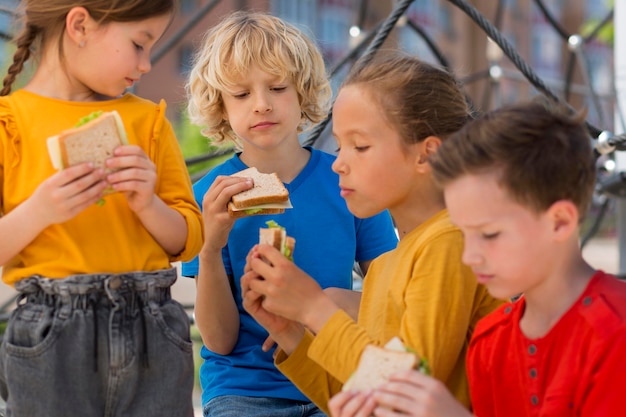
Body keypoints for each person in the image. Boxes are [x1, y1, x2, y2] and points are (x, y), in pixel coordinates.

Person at [240, 52, 503, 415]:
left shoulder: (449, 240)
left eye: (360, 146)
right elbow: (363, 398)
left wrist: (314, 307)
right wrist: (289, 332)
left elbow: (405, 390)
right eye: (339, 145)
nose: (338, 163)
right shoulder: (385, 266)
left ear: (426, 155)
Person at [328, 100, 626, 417]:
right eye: (464, 233)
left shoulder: (614, 333)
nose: (469, 256)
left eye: (489, 234)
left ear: (560, 222)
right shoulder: (491, 340)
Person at [182, 11, 398, 417]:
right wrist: (210, 249)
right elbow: (219, 341)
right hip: (244, 390)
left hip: (339, 376)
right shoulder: (209, 196)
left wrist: (325, 302)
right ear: (221, 107)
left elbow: (393, 297)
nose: (262, 105)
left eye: (278, 87)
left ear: (302, 93)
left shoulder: (348, 182)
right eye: (242, 95)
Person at [0, 1, 204, 416]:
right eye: (139, 44)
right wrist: (39, 210)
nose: (146, 65)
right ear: (80, 26)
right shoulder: (10, 124)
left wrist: (148, 204)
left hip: (154, 328)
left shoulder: (149, 123)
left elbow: (188, 238)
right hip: (49, 337)